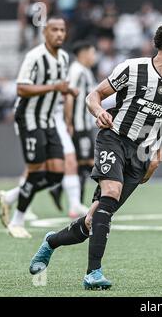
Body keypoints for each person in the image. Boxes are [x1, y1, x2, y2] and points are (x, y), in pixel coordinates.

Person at [28, 21, 162, 290]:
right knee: (112, 191)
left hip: (141, 154)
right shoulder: (132, 69)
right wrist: (99, 111)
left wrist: (157, 158)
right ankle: (93, 273)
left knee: (95, 219)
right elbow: (94, 96)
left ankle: (51, 242)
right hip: (113, 138)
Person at [0, 17, 76, 238]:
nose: (59, 34)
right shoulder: (35, 57)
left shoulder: (65, 58)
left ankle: (10, 197)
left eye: (62, 30)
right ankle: (16, 221)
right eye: (54, 30)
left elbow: (62, 86)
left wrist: (68, 92)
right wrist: (55, 87)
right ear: (45, 33)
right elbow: (21, 88)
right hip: (29, 119)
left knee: (56, 175)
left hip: (49, 120)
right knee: (35, 170)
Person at [50, 41, 97, 206]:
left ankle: (63, 192)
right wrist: (69, 122)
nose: (94, 56)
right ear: (83, 53)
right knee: (85, 163)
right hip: (79, 126)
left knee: (83, 163)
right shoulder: (76, 71)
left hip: (85, 124)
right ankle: (74, 201)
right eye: (92, 52)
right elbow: (69, 97)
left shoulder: (86, 71)